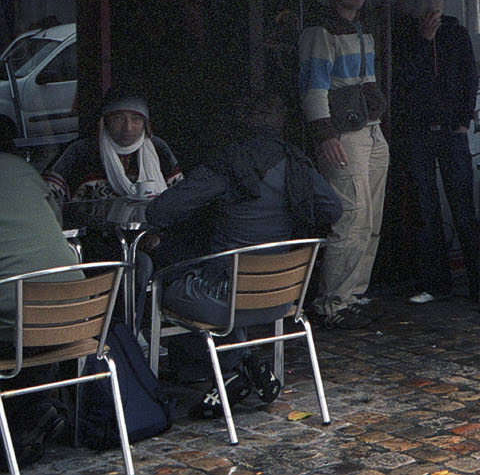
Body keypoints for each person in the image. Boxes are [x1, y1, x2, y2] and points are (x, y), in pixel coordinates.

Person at [144, 92, 342, 416]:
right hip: (282, 297)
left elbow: (160, 212)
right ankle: (239, 364)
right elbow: (333, 209)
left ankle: (233, 368)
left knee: (166, 283)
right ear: (280, 122)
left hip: (226, 298)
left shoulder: (227, 164)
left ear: (237, 123)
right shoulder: (295, 162)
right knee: (220, 272)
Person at [389, 0, 480, 307]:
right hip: (418, 131)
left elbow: (470, 80)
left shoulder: (456, 33)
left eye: (437, 0)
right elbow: (403, 82)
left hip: (452, 131)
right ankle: (435, 281)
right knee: (425, 208)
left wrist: (464, 120)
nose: (433, 8)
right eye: (426, 2)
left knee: (463, 206)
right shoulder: (404, 36)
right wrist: (423, 41)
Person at [299, 0, 390, 330]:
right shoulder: (320, 32)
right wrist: (325, 135)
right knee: (351, 216)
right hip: (344, 133)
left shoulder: (359, 29)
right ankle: (332, 302)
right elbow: (313, 87)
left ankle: (353, 295)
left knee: (370, 216)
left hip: (370, 128)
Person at [0, 148, 85, 464]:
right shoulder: (21, 170)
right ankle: (33, 414)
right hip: (76, 320)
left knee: (17, 318)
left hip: (18, 330)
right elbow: (57, 222)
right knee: (29, 314)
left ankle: (24, 421)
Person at [45, 88, 183, 203]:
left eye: (136, 119)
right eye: (118, 118)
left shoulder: (158, 148)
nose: (128, 127)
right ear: (104, 122)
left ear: (146, 124)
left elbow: (179, 196)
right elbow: (49, 197)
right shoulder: (81, 151)